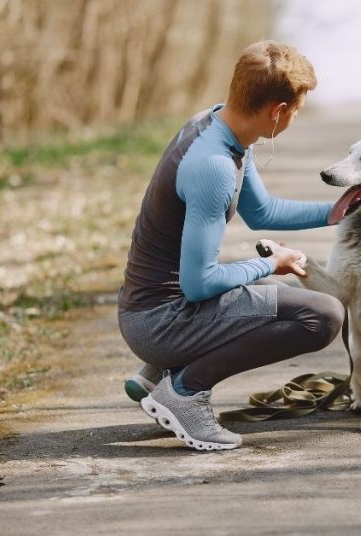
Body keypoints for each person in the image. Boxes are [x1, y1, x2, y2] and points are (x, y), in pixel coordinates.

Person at [115, 40, 344, 451]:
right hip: (158, 321)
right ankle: (184, 390)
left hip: (147, 308)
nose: (295, 118)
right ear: (277, 111)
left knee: (277, 296)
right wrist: (271, 264)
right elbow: (199, 285)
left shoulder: (219, 125)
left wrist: (337, 211)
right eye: (296, 110)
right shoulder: (215, 167)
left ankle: (155, 374)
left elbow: (263, 213)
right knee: (322, 315)